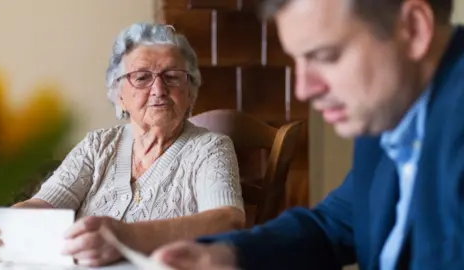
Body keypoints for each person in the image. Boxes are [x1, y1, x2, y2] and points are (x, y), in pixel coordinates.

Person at [150, 0, 464, 269]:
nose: (304, 89)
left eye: (325, 57)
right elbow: (334, 226)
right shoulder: (390, 108)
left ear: (413, 28)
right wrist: (224, 253)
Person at [0, 23, 245, 267]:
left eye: (172, 76)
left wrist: (126, 236)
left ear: (190, 92)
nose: (158, 89)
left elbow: (228, 221)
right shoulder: (97, 145)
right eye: (142, 77)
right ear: (119, 94)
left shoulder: (210, 147)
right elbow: (43, 205)